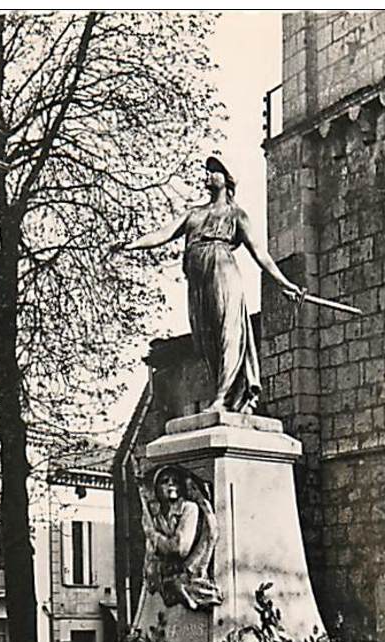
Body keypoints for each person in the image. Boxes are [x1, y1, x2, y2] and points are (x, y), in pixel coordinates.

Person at [113, 156, 302, 414]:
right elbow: (163, 234)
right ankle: (224, 393)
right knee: (206, 338)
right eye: (208, 171)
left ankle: (224, 397)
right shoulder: (194, 214)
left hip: (222, 271)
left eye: (215, 171)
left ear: (227, 180)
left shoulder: (235, 215)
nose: (209, 175)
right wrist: (132, 244)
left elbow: (261, 254)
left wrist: (284, 283)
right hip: (197, 280)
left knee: (228, 333)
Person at [138, 464, 223, 611]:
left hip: (188, 572)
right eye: (165, 481)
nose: (171, 484)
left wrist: (153, 535)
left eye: (175, 481)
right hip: (165, 578)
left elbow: (179, 548)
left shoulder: (189, 508)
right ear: (156, 488)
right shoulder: (156, 516)